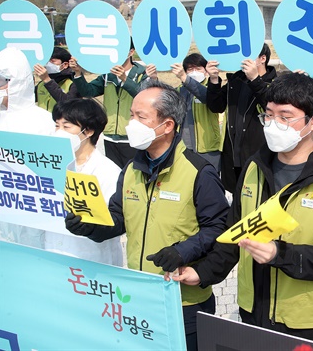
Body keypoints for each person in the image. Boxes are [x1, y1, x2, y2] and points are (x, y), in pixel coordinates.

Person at [173, 73, 313, 346]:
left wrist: (280, 254)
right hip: (255, 311)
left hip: (308, 321)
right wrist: (204, 273)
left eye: (285, 117)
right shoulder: (254, 168)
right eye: (269, 115)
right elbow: (235, 232)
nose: (274, 124)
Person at [64, 81, 229, 351]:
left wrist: (183, 251)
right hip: (140, 293)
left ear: (168, 125)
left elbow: (218, 227)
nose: (132, 124)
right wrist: (90, 225)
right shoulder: (131, 168)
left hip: (183, 299)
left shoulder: (198, 171)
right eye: (131, 115)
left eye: (141, 117)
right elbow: (118, 216)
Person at [44, 98, 124, 265]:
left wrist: (90, 228)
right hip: (54, 254)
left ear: (88, 131)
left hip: (91, 260)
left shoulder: (107, 171)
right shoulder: (50, 166)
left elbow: (115, 221)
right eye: (56, 126)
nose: (59, 132)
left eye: (66, 127)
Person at [0, 47, 54, 248]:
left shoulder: (43, 121)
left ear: (18, 83)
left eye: (1, 82)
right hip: (4, 208)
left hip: (34, 209)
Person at [72, 40, 156, 168]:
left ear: (131, 52)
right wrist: (78, 73)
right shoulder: (107, 75)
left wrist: (124, 79)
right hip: (110, 136)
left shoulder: (143, 74)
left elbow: (143, 96)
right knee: (116, 176)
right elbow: (88, 91)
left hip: (133, 136)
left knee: (134, 175)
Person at [206, 43, 277, 192]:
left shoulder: (275, 84)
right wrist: (213, 80)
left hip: (259, 156)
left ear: (262, 58)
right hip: (232, 155)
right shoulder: (236, 81)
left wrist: (255, 80)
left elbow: (273, 108)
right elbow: (216, 106)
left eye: (249, 54)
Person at [171, 53, 221, 170]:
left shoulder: (211, 89)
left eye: (198, 68)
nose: (194, 72)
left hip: (208, 148)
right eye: (190, 69)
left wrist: (185, 78)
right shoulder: (179, 90)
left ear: (206, 71)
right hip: (184, 147)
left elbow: (205, 97)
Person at [34, 47, 79, 112]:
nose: (48, 64)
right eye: (47, 61)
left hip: (61, 121)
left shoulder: (73, 83)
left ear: (65, 65)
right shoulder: (41, 84)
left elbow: (67, 105)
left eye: (52, 61)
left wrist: (47, 80)